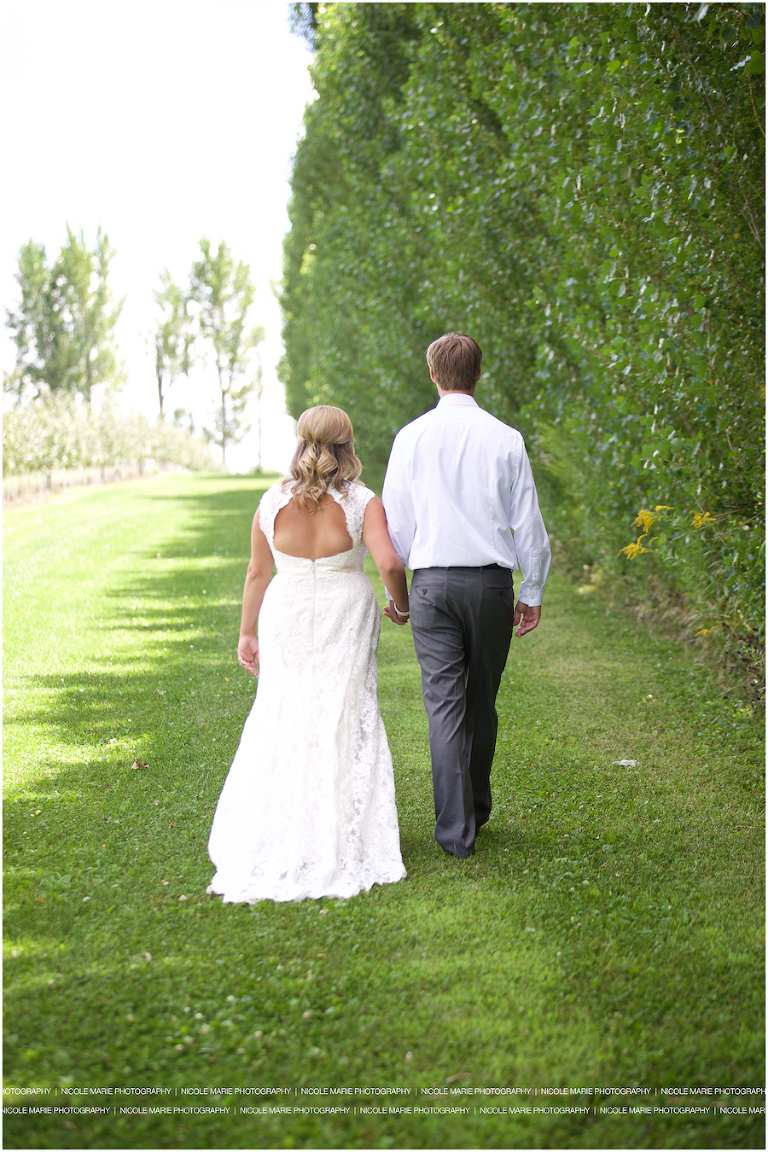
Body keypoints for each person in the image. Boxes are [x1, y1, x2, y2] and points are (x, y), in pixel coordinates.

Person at [207, 406, 408, 902]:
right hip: (346, 609)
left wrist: (246, 632)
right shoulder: (364, 502)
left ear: (301, 442)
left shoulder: (271, 502)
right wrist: (400, 606)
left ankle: (283, 827)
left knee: (285, 709)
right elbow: (389, 562)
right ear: (348, 443)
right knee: (344, 708)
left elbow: (257, 573)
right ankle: (341, 831)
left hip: (286, 608)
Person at [382, 333, 551, 859]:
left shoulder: (410, 438)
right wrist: (534, 588)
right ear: (479, 374)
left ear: (433, 374)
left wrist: (412, 580)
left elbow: (397, 521)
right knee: (481, 702)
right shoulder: (506, 438)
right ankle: (472, 811)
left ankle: (458, 829)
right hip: (491, 587)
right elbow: (529, 526)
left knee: (445, 707)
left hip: (432, 584)